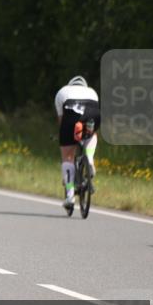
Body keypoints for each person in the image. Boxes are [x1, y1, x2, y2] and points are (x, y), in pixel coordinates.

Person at [54, 75, 101, 211]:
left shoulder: (62, 92)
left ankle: (69, 196)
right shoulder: (92, 91)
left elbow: (61, 121)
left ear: (70, 84)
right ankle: (90, 159)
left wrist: (66, 137)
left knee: (67, 157)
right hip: (92, 112)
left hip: (70, 113)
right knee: (91, 134)